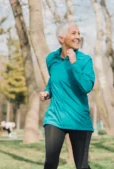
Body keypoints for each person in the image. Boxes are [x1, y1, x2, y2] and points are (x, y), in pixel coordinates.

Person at [39, 22, 95, 169]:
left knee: (82, 166)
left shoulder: (85, 60)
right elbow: (54, 79)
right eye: (74, 33)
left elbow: (86, 87)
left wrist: (74, 63)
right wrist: (47, 91)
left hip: (79, 119)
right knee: (50, 163)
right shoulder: (51, 58)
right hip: (55, 117)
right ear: (61, 38)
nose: (78, 37)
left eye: (78, 33)